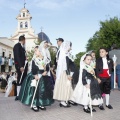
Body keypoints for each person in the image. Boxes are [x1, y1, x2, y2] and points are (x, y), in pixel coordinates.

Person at [19, 46, 54, 112]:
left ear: (40, 51)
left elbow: (47, 67)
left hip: (43, 77)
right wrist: (35, 75)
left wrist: (46, 71)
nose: (35, 52)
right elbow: (33, 68)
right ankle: (34, 103)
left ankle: (40, 103)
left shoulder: (45, 59)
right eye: (35, 51)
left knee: (42, 91)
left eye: (36, 50)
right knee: (34, 90)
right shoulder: (34, 59)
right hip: (36, 75)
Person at [53, 41, 75, 107]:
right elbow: (65, 66)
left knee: (67, 86)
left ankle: (67, 99)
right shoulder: (64, 55)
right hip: (64, 73)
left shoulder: (66, 54)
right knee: (63, 86)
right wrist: (68, 74)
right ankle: (62, 102)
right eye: (70, 46)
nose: (71, 48)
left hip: (65, 72)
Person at [13, 35, 28, 101]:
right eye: (25, 40)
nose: (25, 42)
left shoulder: (22, 47)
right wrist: (21, 66)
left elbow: (22, 56)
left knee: (23, 80)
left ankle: (22, 94)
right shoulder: (17, 46)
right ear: (23, 40)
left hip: (24, 66)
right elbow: (17, 56)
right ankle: (18, 95)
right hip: (20, 66)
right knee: (19, 79)